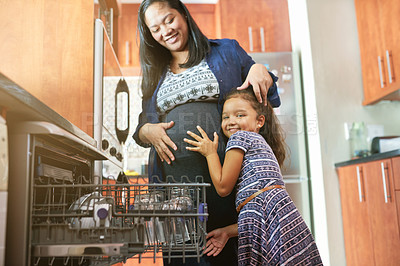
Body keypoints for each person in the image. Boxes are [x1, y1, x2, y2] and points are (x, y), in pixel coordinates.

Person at [133, 0, 280, 265]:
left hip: (226, 181)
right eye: (155, 28)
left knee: (229, 255)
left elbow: (265, 93)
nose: (165, 31)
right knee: (183, 259)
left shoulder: (225, 50)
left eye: (169, 20)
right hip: (175, 194)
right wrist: (147, 130)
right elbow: (142, 126)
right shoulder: (154, 73)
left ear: (184, 16)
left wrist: (261, 70)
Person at [184, 88, 323, 265]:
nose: (231, 121)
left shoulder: (240, 138)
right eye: (226, 117)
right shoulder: (260, 144)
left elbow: (223, 187)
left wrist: (210, 153)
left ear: (259, 121)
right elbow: (259, 214)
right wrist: (227, 232)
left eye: (240, 115)